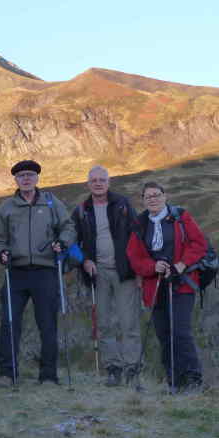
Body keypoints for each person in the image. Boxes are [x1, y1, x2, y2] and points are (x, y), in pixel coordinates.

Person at [0, 160, 77, 386]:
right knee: (10, 323)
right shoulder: (6, 207)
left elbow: (68, 227)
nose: (26, 179)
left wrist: (62, 242)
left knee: (47, 324)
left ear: (37, 178)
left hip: (45, 271)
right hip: (15, 272)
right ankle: (7, 374)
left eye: (30, 175)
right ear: (16, 180)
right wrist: (1, 252)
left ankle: (48, 375)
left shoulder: (51, 202)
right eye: (21, 176)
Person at [126, 181, 208, 392]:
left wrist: (181, 264)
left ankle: (193, 379)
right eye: (148, 196)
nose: (153, 199)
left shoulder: (181, 217)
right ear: (143, 201)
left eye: (156, 195)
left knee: (180, 332)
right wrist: (153, 266)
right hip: (154, 286)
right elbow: (134, 258)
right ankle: (174, 381)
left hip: (182, 283)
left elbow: (199, 244)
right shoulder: (140, 224)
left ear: (165, 196)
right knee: (163, 335)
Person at [72, 165, 140, 386]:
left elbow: (137, 235)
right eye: (94, 180)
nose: (98, 184)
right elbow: (71, 242)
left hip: (124, 272)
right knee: (103, 324)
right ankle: (113, 368)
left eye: (102, 180)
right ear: (88, 184)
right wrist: (84, 260)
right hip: (97, 273)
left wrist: (139, 268)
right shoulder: (81, 210)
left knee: (129, 323)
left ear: (108, 182)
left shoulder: (123, 204)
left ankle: (132, 368)